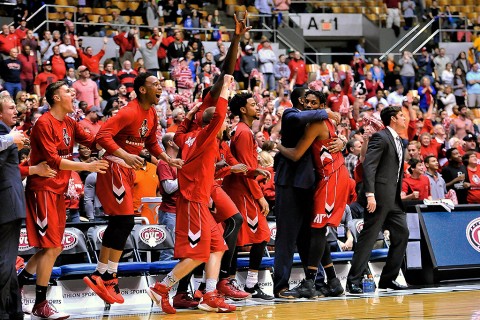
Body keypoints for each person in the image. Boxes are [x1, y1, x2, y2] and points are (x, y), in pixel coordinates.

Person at [83, 73, 183, 305]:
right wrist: (125, 154)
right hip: (115, 165)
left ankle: (104, 274)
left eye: (160, 84)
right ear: (142, 90)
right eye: (155, 84)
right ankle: (106, 275)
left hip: (127, 168)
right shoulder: (129, 111)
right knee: (125, 221)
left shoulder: (152, 114)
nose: (160, 87)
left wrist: (168, 160)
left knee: (120, 222)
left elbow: (150, 144)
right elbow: (102, 136)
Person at [18, 81, 109, 319]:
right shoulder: (44, 123)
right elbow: (54, 161)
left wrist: (116, 143)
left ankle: (18, 282)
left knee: (53, 247)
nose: (73, 93)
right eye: (68, 91)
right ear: (56, 98)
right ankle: (40, 302)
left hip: (59, 191)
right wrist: (86, 165)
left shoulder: (70, 122)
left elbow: (93, 140)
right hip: (43, 189)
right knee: (51, 247)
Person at [148, 76, 234, 314]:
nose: (225, 126)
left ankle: (209, 295)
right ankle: (161, 288)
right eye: (225, 124)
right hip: (194, 199)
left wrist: (189, 114)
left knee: (218, 247)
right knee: (198, 255)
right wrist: (225, 88)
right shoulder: (207, 136)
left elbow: (178, 135)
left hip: (199, 200)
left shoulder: (188, 137)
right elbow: (218, 116)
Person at [277, 90, 349, 299]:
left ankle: (309, 282)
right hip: (327, 177)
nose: (309, 105)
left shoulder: (319, 121)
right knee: (316, 230)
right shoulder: (306, 117)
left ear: (322, 104)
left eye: (313, 103)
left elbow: (297, 153)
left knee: (317, 231)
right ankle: (333, 281)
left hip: (331, 178)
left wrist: (276, 145)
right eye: (306, 102)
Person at [346, 106, 410, 293]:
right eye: (401, 116)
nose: (405, 119)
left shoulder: (399, 140)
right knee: (368, 238)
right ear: (392, 119)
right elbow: (369, 167)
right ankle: (353, 280)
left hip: (394, 199)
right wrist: (370, 195)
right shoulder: (380, 137)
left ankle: (388, 279)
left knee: (402, 234)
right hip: (378, 197)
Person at [0, 96, 26, 320]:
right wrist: (9, 139)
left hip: (8, 203)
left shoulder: (8, 133)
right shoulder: (3, 132)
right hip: (7, 205)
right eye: (10, 108)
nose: (15, 112)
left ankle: (14, 309)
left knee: (8, 260)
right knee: (5, 261)